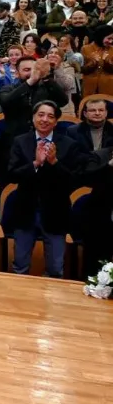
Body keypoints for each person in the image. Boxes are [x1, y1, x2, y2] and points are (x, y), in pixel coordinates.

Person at [7, 101, 85, 277]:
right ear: (33, 118)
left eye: (50, 116)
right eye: (40, 115)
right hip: (25, 210)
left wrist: (54, 162)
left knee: (56, 269)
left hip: (56, 213)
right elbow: (11, 174)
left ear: (56, 121)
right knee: (20, 266)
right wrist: (35, 163)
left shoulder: (69, 144)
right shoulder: (21, 141)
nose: (44, 119)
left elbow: (73, 181)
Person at [74, 99, 113, 275]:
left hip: (108, 189)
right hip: (81, 183)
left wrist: (94, 161)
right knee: (92, 242)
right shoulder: (73, 131)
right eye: (92, 110)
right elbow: (77, 161)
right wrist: (105, 161)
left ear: (106, 112)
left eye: (101, 110)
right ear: (85, 113)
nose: (97, 113)